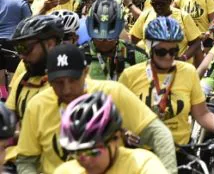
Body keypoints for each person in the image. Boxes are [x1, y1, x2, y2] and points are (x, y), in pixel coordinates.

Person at [16, 43, 177, 173]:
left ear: (86, 72)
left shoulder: (113, 92)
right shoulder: (37, 106)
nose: (66, 89)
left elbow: (158, 133)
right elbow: (26, 160)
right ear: (48, 80)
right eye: (58, 83)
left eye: (73, 80)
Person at [119, 17, 214, 166]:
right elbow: (117, 118)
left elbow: (202, 114)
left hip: (180, 152)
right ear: (150, 48)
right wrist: (124, 132)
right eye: (161, 52)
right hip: (143, 155)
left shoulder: (188, 72)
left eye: (173, 51)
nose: (168, 57)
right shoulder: (130, 76)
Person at [55, 92, 168, 173]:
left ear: (116, 137)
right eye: (77, 152)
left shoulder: (142, 165)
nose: (86, 160)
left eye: (93, 152)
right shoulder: (65, 171)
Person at [130, 0, 202, 66]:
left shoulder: (183, 16)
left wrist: (183, 58)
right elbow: (133, 39)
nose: (158, 7)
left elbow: (196, 43)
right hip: (152, 68)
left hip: (177, 68)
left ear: (170, 1)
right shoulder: (145, 15)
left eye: (161, 4)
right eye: (155, 4)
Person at [83, 0, 147, 80]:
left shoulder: (138, 56)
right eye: (99, 38)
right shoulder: (79, 57)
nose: (104, 42)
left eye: (110, 38)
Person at [0, 0, 31, 74]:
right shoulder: (21, 2)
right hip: (12, 44)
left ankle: (2, 90)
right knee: (13, 77)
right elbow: (28, 24)